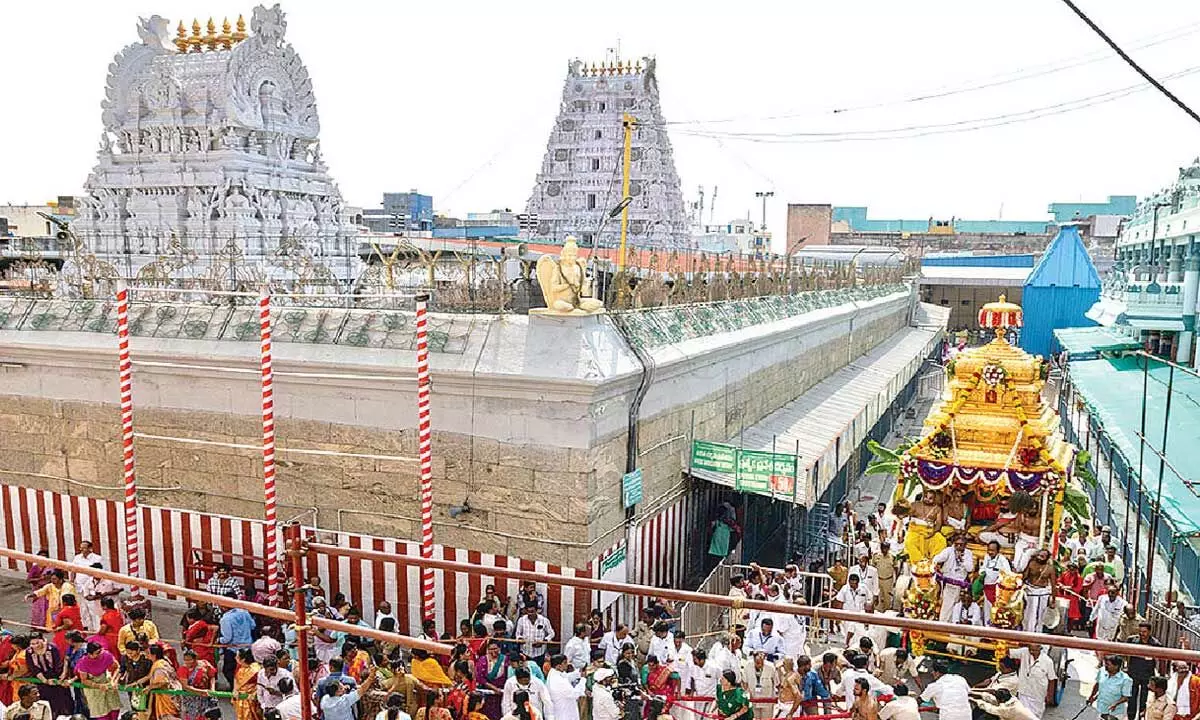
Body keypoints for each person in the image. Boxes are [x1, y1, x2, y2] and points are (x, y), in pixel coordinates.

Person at [27, 632, 72, 717]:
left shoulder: (52, 648)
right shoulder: (29, 652)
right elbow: (33, 668)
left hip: (57, 679)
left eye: (37, 643)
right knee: (47, 704)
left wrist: (59, 679)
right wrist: (45, 680)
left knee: (63, 703)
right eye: (33, 644)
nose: (35, 646)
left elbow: (58, 664)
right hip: (42, 681)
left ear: (43, 640)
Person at [931, 535, 974, 624]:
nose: (958, 547)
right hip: (948, 582)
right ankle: (943, 625)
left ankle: (951, 626)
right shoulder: (949, 550)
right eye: (957, 544)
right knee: (947, 606)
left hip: (960, 585)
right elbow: (936, 559)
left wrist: (962, 559)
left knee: (956, 606)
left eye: (961, 545)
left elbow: (970, 568)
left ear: (965, 545)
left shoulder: (968, 553)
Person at [1124, 621, 1161, 720]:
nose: (1142, 634)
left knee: (1144, 700)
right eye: (1140, 631)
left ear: (1149, 632)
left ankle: (1142, 717)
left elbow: (1161, 660)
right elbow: (1124, 653)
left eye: (1144, 632)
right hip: (1133, 674)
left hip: (1147, 676)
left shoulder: (1155, 644)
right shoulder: (1132, 640)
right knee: (1131, 698)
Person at [1007, 644, 1053, 718]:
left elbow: (1052, 679)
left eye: (1034, 650)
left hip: (1038, 694)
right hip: (1024, 692)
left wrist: (1050, 695)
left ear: (1040, 648)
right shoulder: (1024, 652)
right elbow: (1009, 652)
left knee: (1035, 716)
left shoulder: (1048, 661)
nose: (1031, 652)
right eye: (1030, 649)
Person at [1021, 549, 1055, 633]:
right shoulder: (1031, 564)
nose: (1040, 558)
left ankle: (1038, 635)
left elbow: (1053, 585)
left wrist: (1053, 599)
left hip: (1042, 593)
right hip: (1030, 591)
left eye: (1043, 556)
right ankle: (1027, 633)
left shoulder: (1050, 569)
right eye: (1039, 555)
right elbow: (1024, 577)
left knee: (1040, 615)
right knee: (1029, 614)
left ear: (1047, 558)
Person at [178, 649, 218, 720]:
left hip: (206, 697)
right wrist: (201, 692)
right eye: (185, 660)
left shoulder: (205, 664)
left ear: (195, 659)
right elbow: (185, 687)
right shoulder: (183, 669)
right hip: (191, 698)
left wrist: (212, 689)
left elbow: (212, 677)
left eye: (189, 660)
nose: (187, 662)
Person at [1089, 656, 1132, 720]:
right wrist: (1092, 696)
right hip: (1101, 708)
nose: (1105, 666)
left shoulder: (1125, 679)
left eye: (1108, 665)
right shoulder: (1102, 671)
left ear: (1116, 666)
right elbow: (1098, 684)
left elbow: (1125, 697)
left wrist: (1115, 704)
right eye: (1105, 664)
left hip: (1115, 712)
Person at [475, 641, 509, 719]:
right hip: (487, 693)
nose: (493, 651)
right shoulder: (482, 660)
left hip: (501, 693)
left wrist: (499, 690)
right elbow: (480, 678)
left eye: (495, 648)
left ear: (499, 649)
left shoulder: (505, 659)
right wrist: (494, 688)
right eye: (490, 649)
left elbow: (508, 675)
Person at [147, 644, 182, 720]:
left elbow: (163, 682)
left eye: (148, 653)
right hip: (169, 696)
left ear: (154, 655)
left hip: (166, 700)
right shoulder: (163, 662)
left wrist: (149, 688)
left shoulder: (159, 666)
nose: (147, 655)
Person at [978, 541, 1011, 620]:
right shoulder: (987, 557)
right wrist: (982, 573)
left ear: (998, 551)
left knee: (995, 610)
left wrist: (999, 579)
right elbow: (982, 569)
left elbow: (1008, 573)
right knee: (987, 610)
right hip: (987, 588)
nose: (990, 552)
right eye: (988, 550)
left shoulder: (1002, 560)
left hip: (997, 590)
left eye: (992, 550)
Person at [545, 655, 582, 720]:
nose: (567, 664)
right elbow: (574, 694)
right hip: (563, 712)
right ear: (558, 666)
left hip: (562, 710)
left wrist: (579, 674)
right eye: (565, 663)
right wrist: (582, 681)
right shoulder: (557, 680)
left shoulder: (555, 673)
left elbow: (566, 677)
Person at [232, 649, 264, 720]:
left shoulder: (256, 670)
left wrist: (254, 693)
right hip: (240, 697)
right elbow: (235, 678)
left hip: (251, 699)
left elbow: (261, 684)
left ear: (243, 659)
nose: (235, 658)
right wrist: (235, 689)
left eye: (237, 656)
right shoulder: (239, 667)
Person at [25, 552, 54, 629]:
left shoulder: (50, 567)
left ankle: (47, 625)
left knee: (48, 607)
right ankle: (37, 625)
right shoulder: (35, 568)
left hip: (48, 589)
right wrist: (39, 579)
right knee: (38, 608)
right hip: (38, 589)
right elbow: (28, 580)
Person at [969, 688, 1036, 720]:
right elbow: (992, 699)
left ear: (1001, 700)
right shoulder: (1013, 699)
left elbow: (990, 708)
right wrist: (973, 692)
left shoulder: (1008, 709)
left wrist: (974, 700)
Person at [1057, 558, 1085, 632]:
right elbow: (1059, 581)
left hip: (1073, 599)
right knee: (1061, 613)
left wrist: (1068, 588)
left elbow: (1078, 588)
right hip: (1064, 597)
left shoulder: (1079, 577)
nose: (1071, 570)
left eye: (1073, 568)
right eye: (1070, 568)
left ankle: (1069, 630)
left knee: (1071, 616)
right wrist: (1061, 585)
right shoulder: (1065, 574)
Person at [870, 543, 897, 610]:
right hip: (878, 579)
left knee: (887, 598)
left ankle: (887, 612)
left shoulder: (893, 556)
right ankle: (878, 613)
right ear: (881, 548)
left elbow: (896, 568)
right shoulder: (876, 555)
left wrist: (896, 580)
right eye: (883, 548)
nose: (884, 550)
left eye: (886, 548)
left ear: (888, 548)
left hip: (888, 580)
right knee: (877, 597)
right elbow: (872, 567)